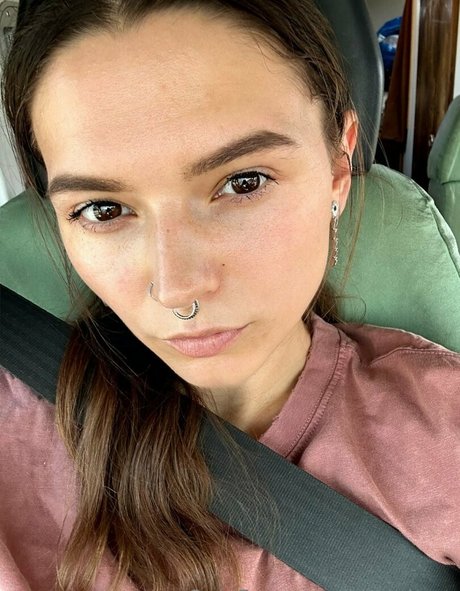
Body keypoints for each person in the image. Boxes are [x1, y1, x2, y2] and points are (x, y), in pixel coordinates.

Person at [0, 1, 459, 590]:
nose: (178, 289)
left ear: (338, 167)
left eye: (243, 182)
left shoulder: (441, 425)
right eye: (103, 210)